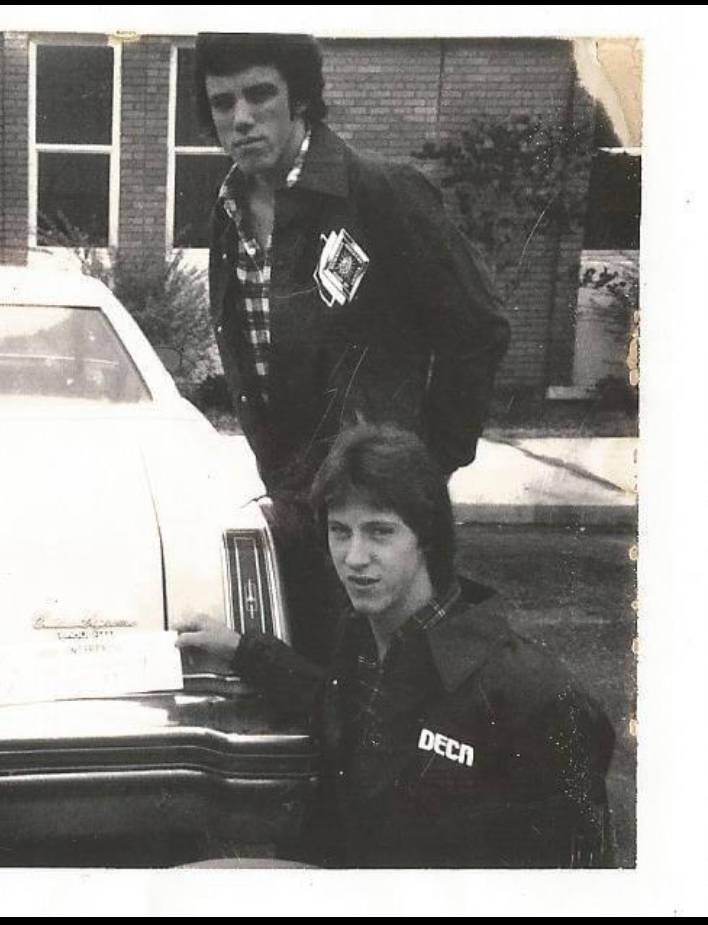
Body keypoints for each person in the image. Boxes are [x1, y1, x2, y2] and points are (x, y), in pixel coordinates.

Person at [194, 33, 511, 662]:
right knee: (320, 691)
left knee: (406, 696)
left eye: (260, 95)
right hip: (297, 511)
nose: (241, 118)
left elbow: (477, 327)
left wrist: (424, 465)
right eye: (222, 102)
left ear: (302, 98)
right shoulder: (226, 214)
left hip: (382, 514)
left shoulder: (379, 193)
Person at [175, 424, 615, 867]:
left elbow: (578, 877)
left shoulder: (534, 697)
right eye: (340, 531)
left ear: (426, 537)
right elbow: (333, 704)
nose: (354, 557)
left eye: (380, 531)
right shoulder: (361, 638)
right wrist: (240, 648)